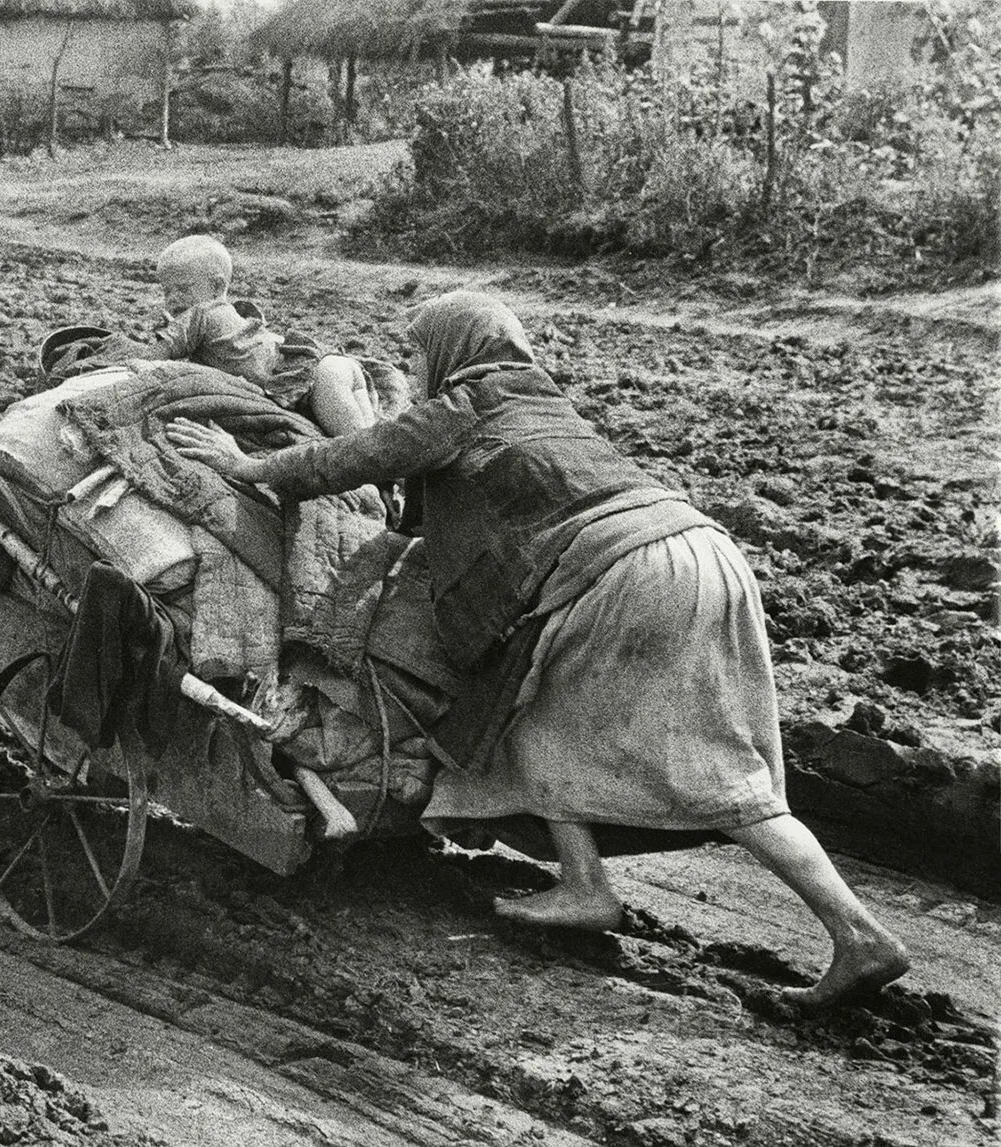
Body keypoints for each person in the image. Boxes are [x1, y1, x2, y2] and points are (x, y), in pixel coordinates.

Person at [166, 291, 909, 1008]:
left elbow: (355, 458)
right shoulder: (541, 398)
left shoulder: (468, 402)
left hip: (630, 570)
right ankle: (587, 884)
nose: (414, 367)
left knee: (715, 776)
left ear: (451, 352)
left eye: (418, 352)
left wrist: (247, 466)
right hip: (701, 549)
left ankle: (857, 932)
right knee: (537, 710)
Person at [152, 235, 376, 437]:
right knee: (370, 439)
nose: (172, 299)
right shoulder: (226, 315)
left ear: (216, 286)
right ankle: (386, 476)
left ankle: (377, 471)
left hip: (321, 374)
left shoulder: (200, 314)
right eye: (166, 291)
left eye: (182, 289)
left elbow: (154, 358)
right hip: (333, 369)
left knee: (356, 445)